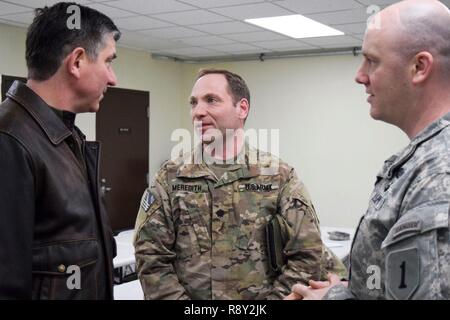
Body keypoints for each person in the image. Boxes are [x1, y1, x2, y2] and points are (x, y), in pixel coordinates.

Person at [286, 0, 450, 300]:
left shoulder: (439, 174)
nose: (360, 76)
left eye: (372, 61)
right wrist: (348, 290)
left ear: (419, 67)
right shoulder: (421, 160)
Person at [134, 68, 346, 300]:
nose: (198, 112)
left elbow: (307, 254)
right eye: (193, 103)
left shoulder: (278, 176)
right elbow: (151, 257)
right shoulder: (170, 177)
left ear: (242, 108)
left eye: (211, 100)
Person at [0, 2, 120, 299]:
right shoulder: (9, 141)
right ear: (77, 62)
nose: (113, 78)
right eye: (108, 61)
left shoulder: (68, 138)